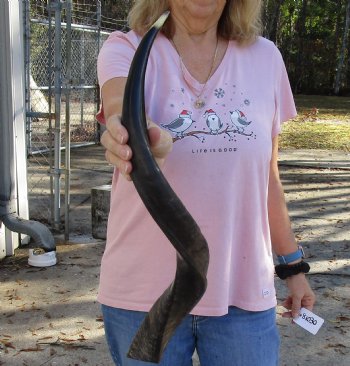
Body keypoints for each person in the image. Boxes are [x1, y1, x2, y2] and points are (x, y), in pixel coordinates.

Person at [96, 1, 316, 365]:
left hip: (242, 294)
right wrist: (140, 138)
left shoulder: (266, 58)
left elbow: (267, 178)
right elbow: (121, 106)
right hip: (144, 299)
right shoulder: (127, 47)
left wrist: (293, 268)